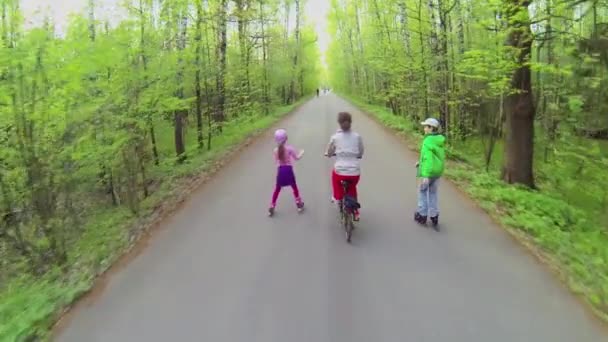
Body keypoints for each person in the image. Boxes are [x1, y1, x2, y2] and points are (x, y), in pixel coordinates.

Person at [325, 112, 364, 221]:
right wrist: (359, 155)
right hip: (354, 172)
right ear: (350, 122)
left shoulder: (335, 137)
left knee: (334, 176)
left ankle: (337, 197)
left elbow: (329, 151)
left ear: (339, 123)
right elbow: (361, 150)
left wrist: (329, 154)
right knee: (352, 188)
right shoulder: (357, 136)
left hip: (340, 171)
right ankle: (356, 212)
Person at [414, 118, 445, 228]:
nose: (424, 128)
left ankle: (422, 215)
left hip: (428, 173)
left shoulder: (428, 140)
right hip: (437, 172)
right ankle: (434, 216)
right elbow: (436, 157)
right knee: (433, 193)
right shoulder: (439, 140)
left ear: (431, 128)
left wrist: (425, 175)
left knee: (422, 192)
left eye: (426, 126)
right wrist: (420, 163)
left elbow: (429, 158)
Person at [269, 129, 305, 217]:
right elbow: (297, 158)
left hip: (280, 171)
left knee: (277, 189)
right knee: (294, 187)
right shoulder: (289, 148)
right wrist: (301, 153)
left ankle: (272, 205)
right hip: (289, 170)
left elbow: (276, 161)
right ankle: (299, 204)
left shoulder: (275, 150)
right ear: (286, 138)